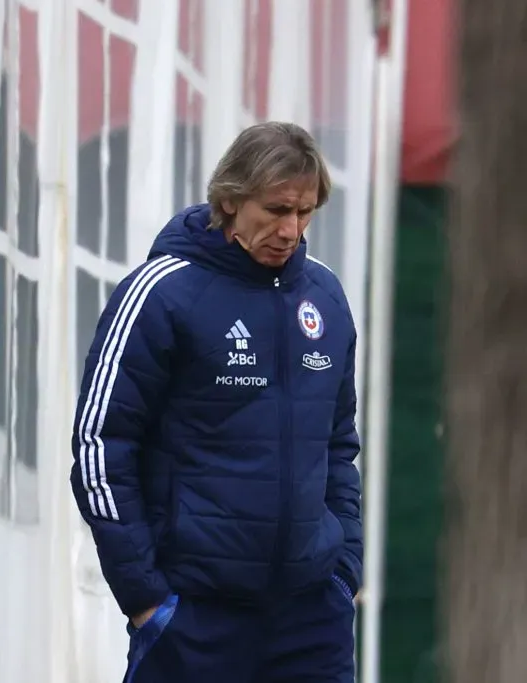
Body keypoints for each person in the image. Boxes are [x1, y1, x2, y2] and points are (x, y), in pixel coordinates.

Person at [70, 121, 362, 683]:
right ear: (229, 199)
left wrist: (344, 569)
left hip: (311, 617)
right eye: (276, 210)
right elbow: (99, 446)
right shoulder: (161, 292)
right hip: (195, 616)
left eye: (304, 213)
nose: (291, 230)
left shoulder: (324, 296)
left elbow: (339, 444)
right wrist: (146, 598)